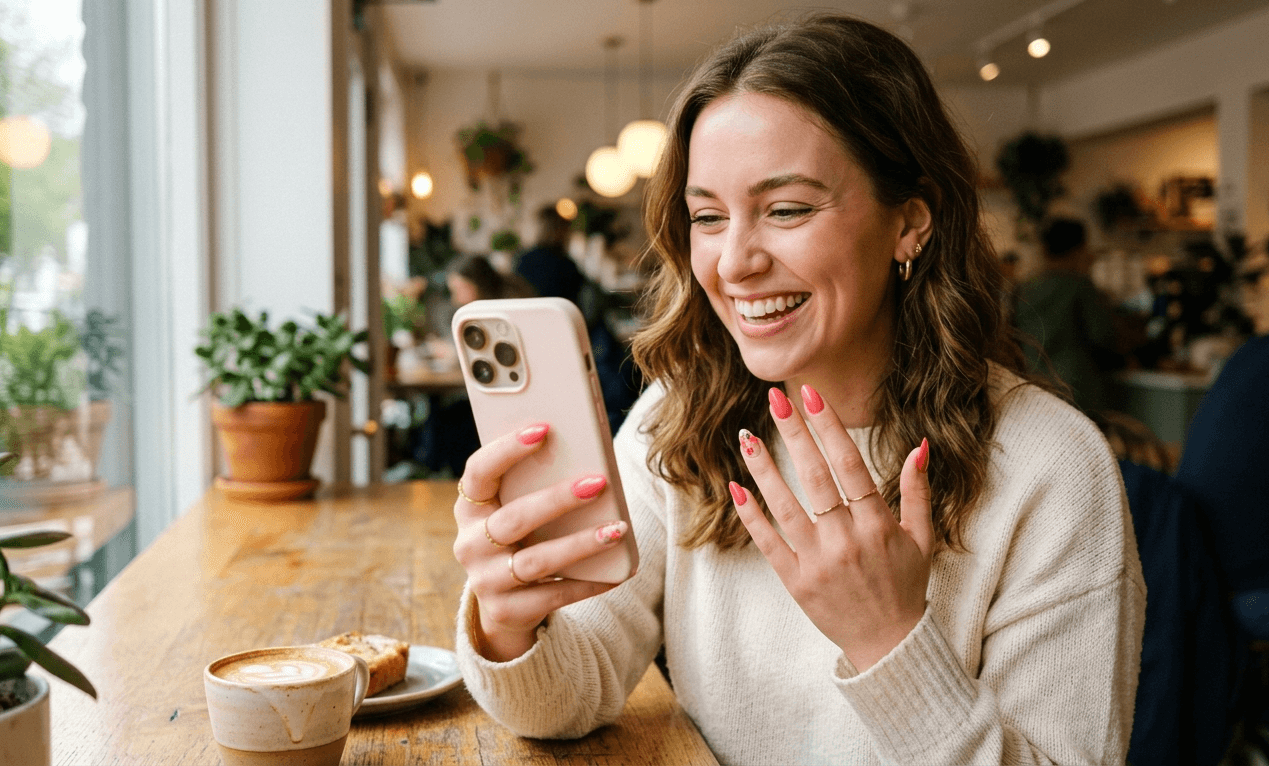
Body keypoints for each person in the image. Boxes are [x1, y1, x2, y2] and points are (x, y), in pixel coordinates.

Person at [450, 14, 1144, 764]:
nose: (734, 262)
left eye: (787, 209)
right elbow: (567, 698)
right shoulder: (681, 416)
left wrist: (888, 640)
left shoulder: (1052, 467)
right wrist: (508, 626)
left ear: (909, 222)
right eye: (707, 217)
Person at [1014, 217, 1119, 415]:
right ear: (1080, 249)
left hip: (1032, 388)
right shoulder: (1080, 287)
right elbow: (1102, 337)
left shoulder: (1024, 288)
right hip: (1076, 391)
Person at [515, 204, 586, 305]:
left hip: (527, 316)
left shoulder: (522, 259)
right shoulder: (566, 264)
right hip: (558, 317)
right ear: (560, 230)